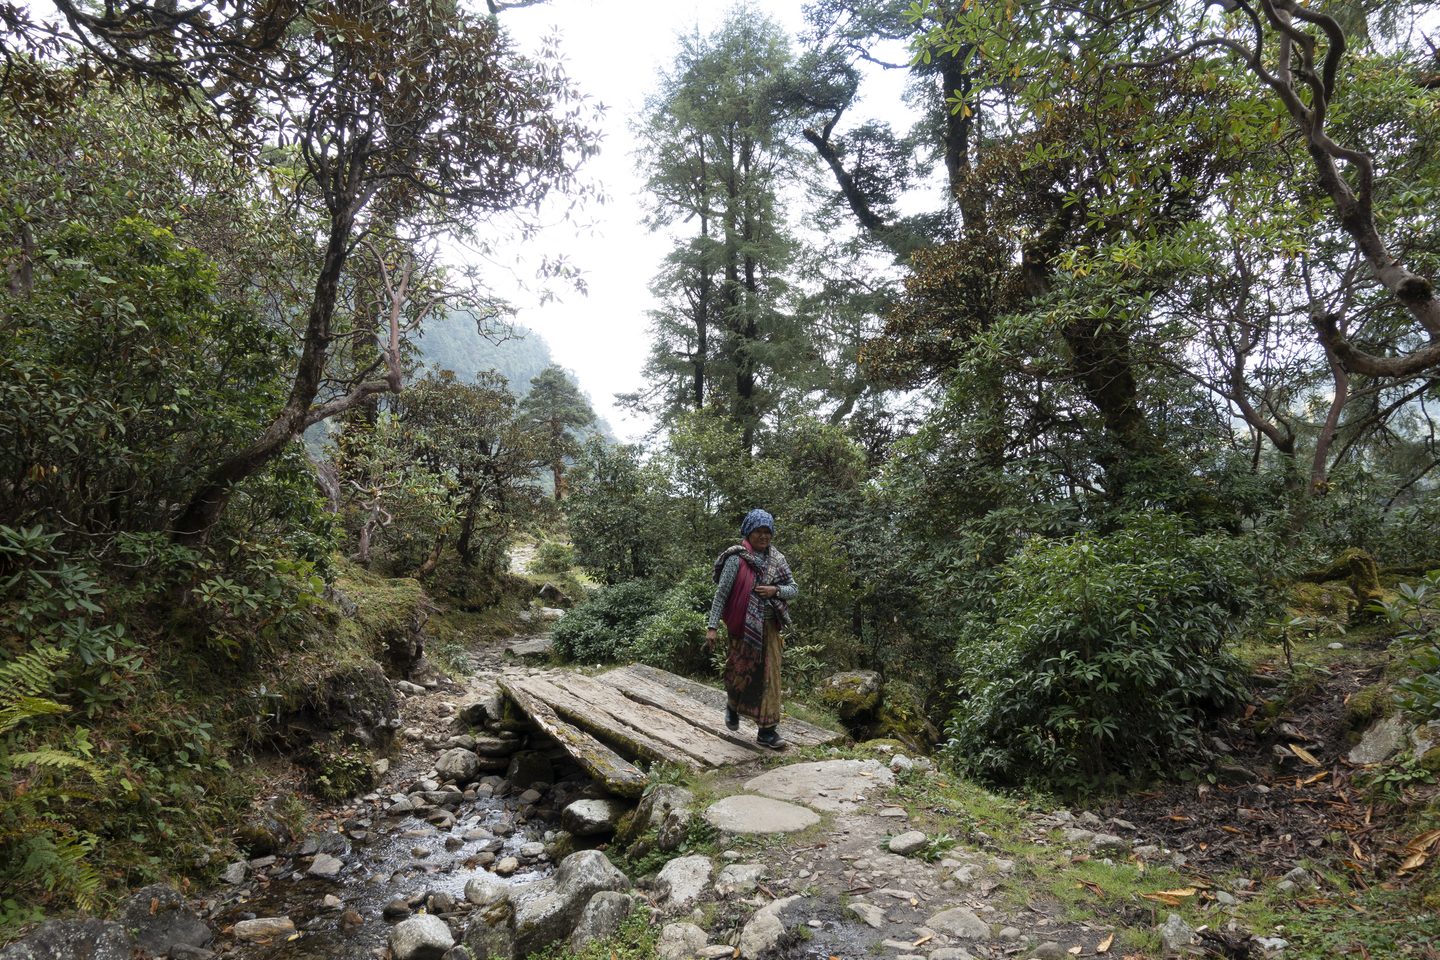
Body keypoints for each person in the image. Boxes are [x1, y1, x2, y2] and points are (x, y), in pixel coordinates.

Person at [705, 508, 799, 750]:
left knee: (770, 678)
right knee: (739, 672)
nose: (764, 536)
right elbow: (721, 595)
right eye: (759, 531)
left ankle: (767, 731)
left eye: (768, 532)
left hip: (769, 628)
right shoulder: (736, 559)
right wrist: (712, 626)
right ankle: (733, 706)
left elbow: (794, 589)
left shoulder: (777, 560)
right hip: (741, 628)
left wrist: (775, 591)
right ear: (748, 532)